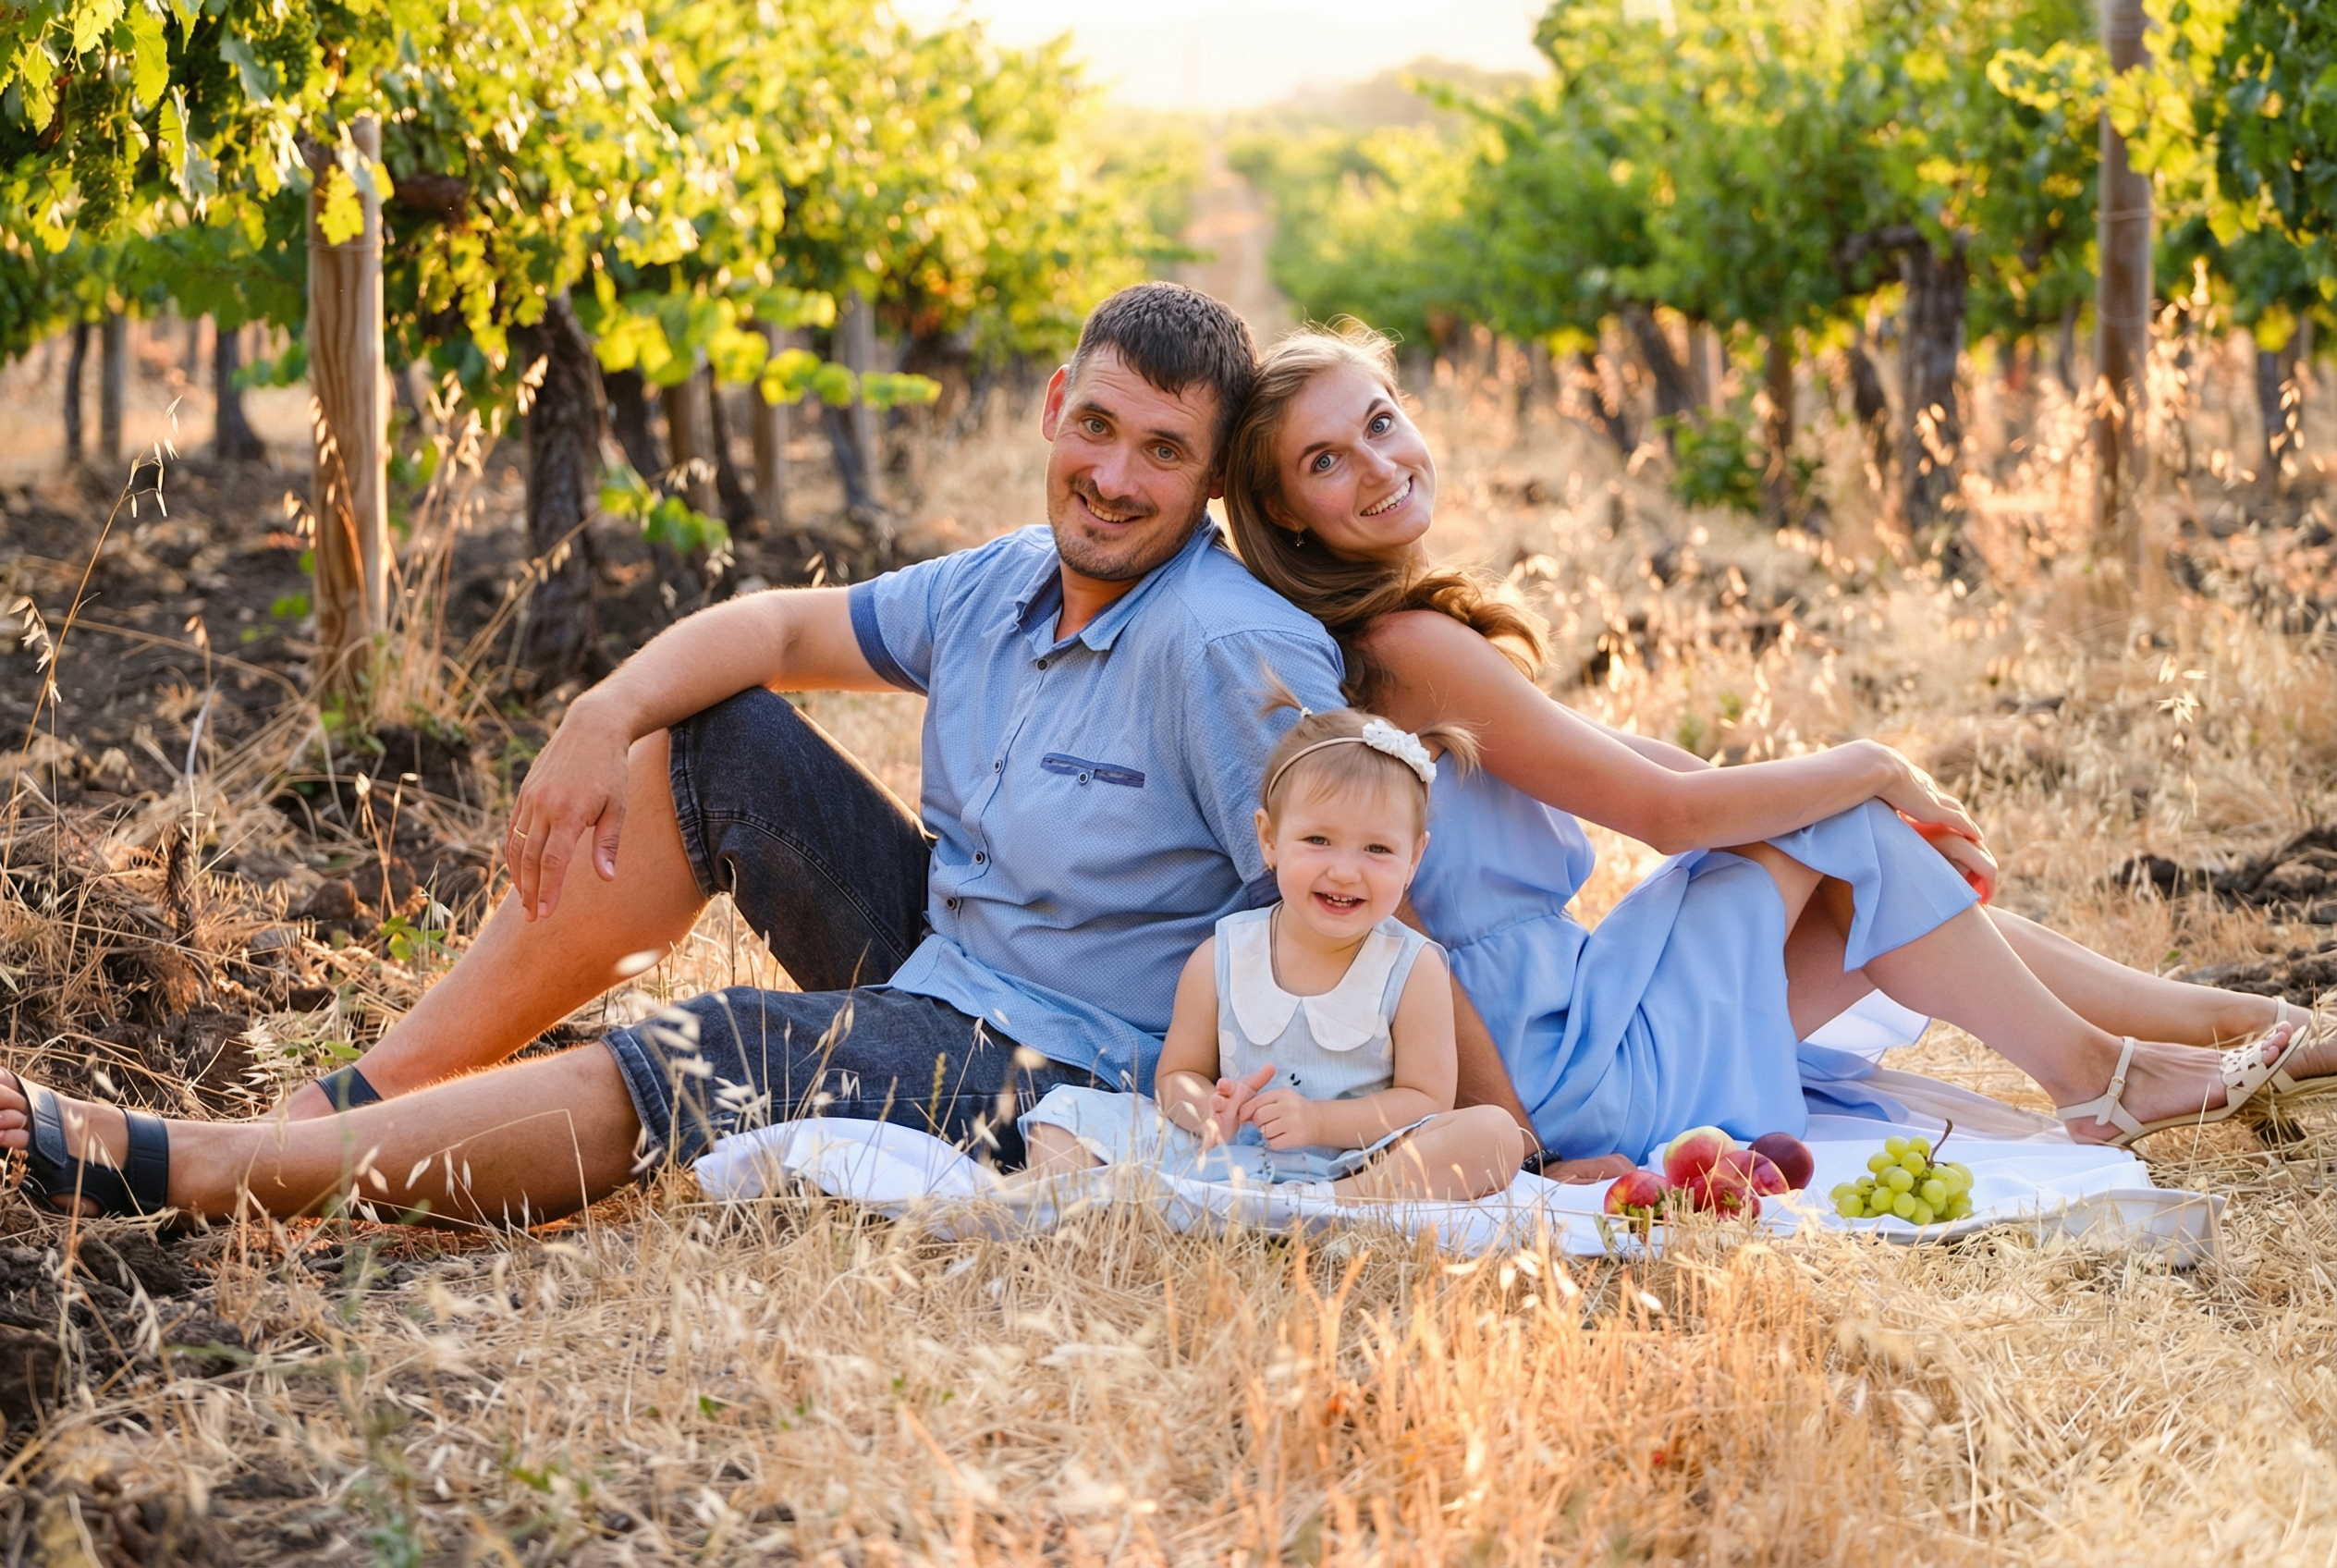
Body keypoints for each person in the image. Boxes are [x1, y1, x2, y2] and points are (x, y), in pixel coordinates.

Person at [0, 283, 1381, 1224]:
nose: (1116, 477)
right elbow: (779, 622)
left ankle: (214, 1171)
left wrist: (1305, 1124)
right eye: (1097, 427)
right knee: (717, 730)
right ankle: (362, 1094)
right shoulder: (1008, 579)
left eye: (1162, 453)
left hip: (1066, 1071)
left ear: (1207, 487)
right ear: (1051, 410)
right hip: (946, 965)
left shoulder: (1224, 646)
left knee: (717, 1049)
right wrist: (601, 713)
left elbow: (1336, 904)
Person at [1216, 322, 2335, 1171]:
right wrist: (1875, 765)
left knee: (1844, 850)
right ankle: (2103, 1074)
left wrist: (1819, 807)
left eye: (1377, 421)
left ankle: (2248, 1028)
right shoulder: (1406, 644)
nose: (1373, 464)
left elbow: (1643, 763)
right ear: (1288, 516)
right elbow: (1663, 821)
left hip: (1558, 1028)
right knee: (1842, 821)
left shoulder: (1391, 637)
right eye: (1323, 462)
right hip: (1553, 1062)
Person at [1019, 693, 1525, 1202]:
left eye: (1377, 849)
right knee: (1065, 1117)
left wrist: (1319, 1121)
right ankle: (1123, 1209)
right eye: (1318, 840)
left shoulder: (1412, 967)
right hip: (1229, 1155)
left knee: (1494, 1135)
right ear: (1269, 839)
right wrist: (1209, 1108)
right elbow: (1177, 1075)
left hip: (1358, 1162)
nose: (1345, 870)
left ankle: (1339, 1207)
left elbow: (1425, 1099)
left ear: (1414, 858)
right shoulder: (1223, 954)